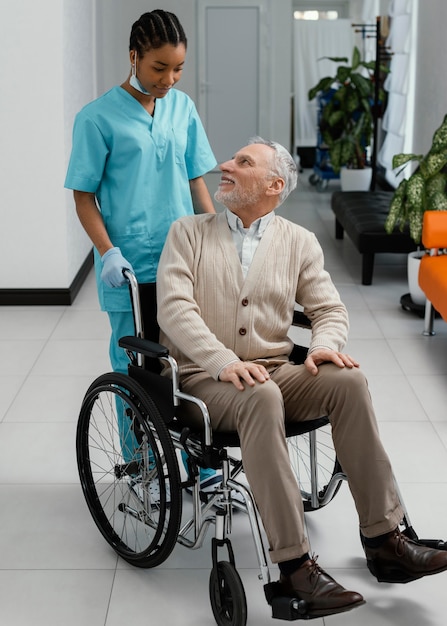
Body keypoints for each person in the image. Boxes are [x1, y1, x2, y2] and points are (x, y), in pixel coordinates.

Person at [156, 137, 447, 618]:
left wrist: (325, 347)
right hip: (204, 379)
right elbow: (174, 308)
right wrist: (223, 361)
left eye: (242, 162)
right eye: (231, 158)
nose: (225, 165)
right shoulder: (187, 233)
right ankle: (294, 566)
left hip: (272, 370)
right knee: (261, 397)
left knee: (348, 382)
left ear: (274, 186)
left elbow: (328, 308)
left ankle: (386, 540)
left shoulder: (298, 241)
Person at [65, 10, 218, 486]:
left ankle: (200, 458)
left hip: (182, 257)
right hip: (128, 265)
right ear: (133, 57)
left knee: (188, 358)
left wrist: (216, 234)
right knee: (136, 363)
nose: (169, 79)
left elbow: (195, 178)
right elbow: (83, 195)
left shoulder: (182, 107)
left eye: (177, 69)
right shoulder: (96, 118)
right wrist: (107, 251)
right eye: (158, 68)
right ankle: (145, 460)